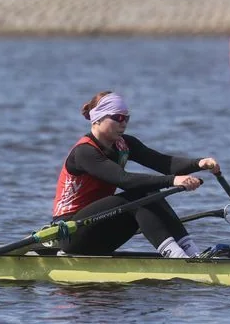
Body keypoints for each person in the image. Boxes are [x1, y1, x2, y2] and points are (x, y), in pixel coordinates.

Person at [51, 91, 221, 258]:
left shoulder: (125, 144)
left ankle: (193, 253)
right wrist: (174, 180)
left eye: (127, 118)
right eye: (118, 118)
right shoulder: (84, 152)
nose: (124, 123)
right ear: (98, 118)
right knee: (139, 196)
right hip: (70, 232)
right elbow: (124, 180)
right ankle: (176, 257)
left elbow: (163, 162)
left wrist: (199, 163)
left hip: (99, 227)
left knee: (151, 194)